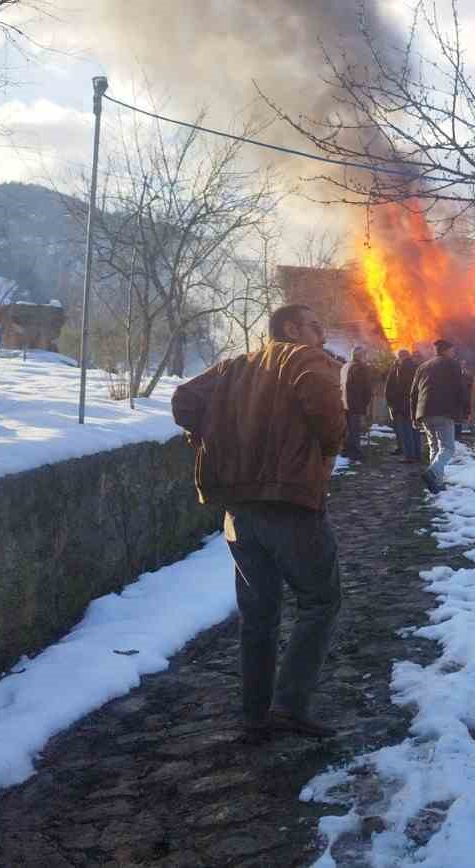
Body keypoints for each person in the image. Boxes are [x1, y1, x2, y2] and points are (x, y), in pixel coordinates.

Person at [171, 305, 346, 743]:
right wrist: (327, 448)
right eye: (314, 326)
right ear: (291, 329)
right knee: (320, 602)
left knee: (258, 613)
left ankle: (255, 711)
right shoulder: (304, 358)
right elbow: (329, 421)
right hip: (288, 505)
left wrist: (210, 435)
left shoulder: (233, 366)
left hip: (238, 511)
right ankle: (289, 705)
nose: (321, 334)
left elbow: (184, 400)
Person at [410, 338, 472, 493]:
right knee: (448, 448)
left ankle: (436, 483)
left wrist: (414, 416)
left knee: (434, 447)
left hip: (424, 413)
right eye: (452, 350)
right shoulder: (452, 365)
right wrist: (467, 410)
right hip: (444, 412)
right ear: (446, 350)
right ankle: (433, 472)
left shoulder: (422, 367)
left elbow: (413, 394)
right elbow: (461, 389)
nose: (454, 353)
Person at [385, 349, 423, 463]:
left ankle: (409, 456)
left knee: (406, 431)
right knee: (415, 430)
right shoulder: (418, 368)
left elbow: (393, 387)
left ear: (400, 357)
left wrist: (391, 403)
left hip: (402, 405)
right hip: (415, 404)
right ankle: (417, 455)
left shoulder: (398, 369)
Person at [341, 347, 373, 460]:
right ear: (361, 355)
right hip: (356, 403)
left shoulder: (345, 366)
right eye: (365, 355)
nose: (366, 357)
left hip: (344, 403)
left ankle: (346, 450)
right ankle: (356, 452)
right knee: (355, 429)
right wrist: (366, 403)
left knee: (348, 429)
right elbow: (366, 388)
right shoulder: (361, 367)